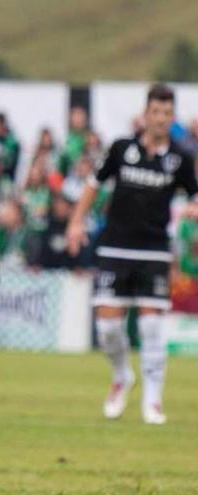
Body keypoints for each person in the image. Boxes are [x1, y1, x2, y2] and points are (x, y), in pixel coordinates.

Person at [66, 84, 198, 425]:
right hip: (115, 245)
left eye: (167, 113)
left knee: (152, 326)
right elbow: (94, 185)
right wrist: (76, 223)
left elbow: (194, 195)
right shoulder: (121, 148)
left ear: (172, 117)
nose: (161, 119)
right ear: (146, 114)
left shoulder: (180, 158)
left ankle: (153, 400)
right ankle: (122, 375)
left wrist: (192, 208)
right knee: (108, 327)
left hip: (154, 249)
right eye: (156, 112)